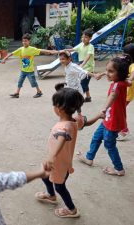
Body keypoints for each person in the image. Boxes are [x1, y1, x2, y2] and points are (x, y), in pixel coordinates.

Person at [35, 88, 101, 218]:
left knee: (60, 187)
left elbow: (62, 137)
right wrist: (98, 116)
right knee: (44, 175)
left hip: (58, 163)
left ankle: (72, 210)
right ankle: (51, 195)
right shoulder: (74, 120)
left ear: (59, 108)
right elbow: (86, 123)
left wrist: (51, 157)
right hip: (60, 160)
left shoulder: (63, 127)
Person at [77, 55, 132, 176]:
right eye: (107, 70)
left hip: (113, 121)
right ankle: (89, 158)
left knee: (109, 144)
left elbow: (112, 95)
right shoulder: (123, 82)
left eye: (111, 71)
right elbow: (129, 81)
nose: (107, 73)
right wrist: (102, 74)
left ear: (121, 73)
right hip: (109, 118)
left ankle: (119, 169)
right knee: (97, 137)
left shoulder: (117, 85)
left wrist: (104, 108)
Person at [95, 43, 134, 140]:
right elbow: (112, 69)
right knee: (117, 110)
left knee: (118, 111)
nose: (123, 55)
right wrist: (102, 73)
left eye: (125, 53)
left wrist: (129, 79)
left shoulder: (132, 65)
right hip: (125, 91)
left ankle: (123, 130)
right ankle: (120, 128)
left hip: (126, 93)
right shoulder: (126, 62)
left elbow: (132, 74)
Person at [2, 33, 57, 98]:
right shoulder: (21, 49)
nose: (24, 42)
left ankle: (39, 92)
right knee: (20, 82)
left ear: (29, 41)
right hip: (23, 70)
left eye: (26, 41)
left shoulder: (32, 49)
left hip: (30, 71)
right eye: (23, 41)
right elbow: (12, 53)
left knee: (33, 82)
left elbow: (41, 50)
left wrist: (50, 51)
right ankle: (17, 93)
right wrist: (5, 58)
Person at [64, 28, 95, 102]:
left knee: (82, 84)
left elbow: (88, 56)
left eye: (86, 37)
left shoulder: (91, 47)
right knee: (85, 83)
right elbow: (73, 49)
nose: (83, 39)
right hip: (82, 67)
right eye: (82, 37)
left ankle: (78, 99)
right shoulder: (81, 45)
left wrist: (82, 64)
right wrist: (64, 50)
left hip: (88, 68)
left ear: (90, 38)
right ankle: (88, 97)